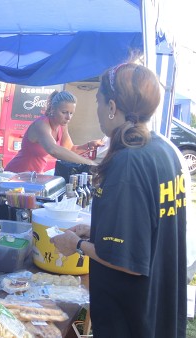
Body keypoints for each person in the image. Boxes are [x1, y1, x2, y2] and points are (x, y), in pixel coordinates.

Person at [51, 63, 187, 337]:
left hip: (130, 319)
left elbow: (127, 259)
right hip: (159, 308)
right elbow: (148, 224)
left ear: (112, 105)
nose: (99, 109)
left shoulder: (127, 162)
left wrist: (77, 244)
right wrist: (98, 231)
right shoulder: (163, 150)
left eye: (99, 101)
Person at [4, 90, 104, 173]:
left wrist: (89, 145)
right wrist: (88, 163)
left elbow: (69, 150)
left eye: (71, 113)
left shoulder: (62, 126)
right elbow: (53, 150)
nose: (68, 117)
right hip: (17, 174)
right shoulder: (41, 124)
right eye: (64, 112)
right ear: (52, 109)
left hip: (33, 176)